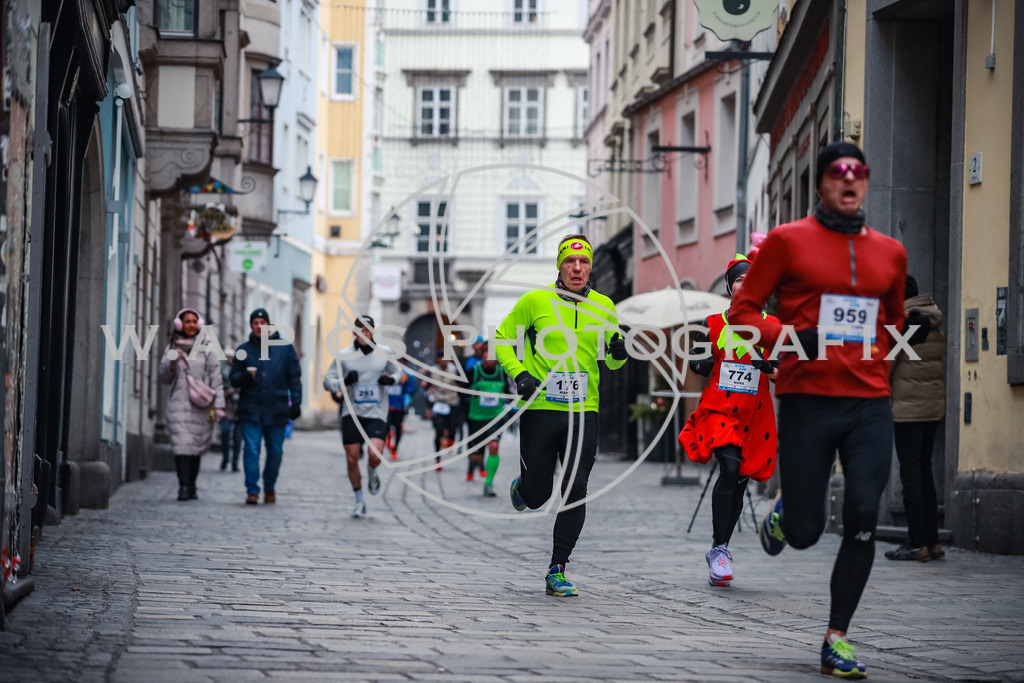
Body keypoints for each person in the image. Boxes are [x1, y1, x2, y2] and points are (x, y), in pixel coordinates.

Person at [729, 141, 929, 678]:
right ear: (821, 183)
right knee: (807, 530)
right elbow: (743, 311)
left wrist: (904, 333)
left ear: (865, 183)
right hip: (806, 398)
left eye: (859, 172)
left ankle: (836, 637)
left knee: (863, 514)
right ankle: (786, 519)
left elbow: (887, 325)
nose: (849, 180)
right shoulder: (787, 242)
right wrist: (795, 337)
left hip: (867, 403)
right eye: (838, 172)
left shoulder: (890, 252)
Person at [495, 234, 628, 597]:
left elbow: (612, 361)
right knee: (539, 494)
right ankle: (523, 488)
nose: (577, 268)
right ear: (559, 266)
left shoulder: (604, 306)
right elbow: (504, 339)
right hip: (541, 409)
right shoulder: (534, 301)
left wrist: (620, 351)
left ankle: (558, 568)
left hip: (584, 410)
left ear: (589, 268)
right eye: (570, 262)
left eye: (583, 262)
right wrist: (520, 373)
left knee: (576, 489)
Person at [678, 255, 780, 587]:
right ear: (729, 287)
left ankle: (719, 548)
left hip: (755, 414)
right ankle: (719, 550)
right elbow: (695, 362)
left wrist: (770, 368)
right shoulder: (712, 323)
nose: (746, 284)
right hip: (719, 410)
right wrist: (702, 364)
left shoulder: (773, 326)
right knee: (731, 469)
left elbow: (786, 373)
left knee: (740, 481)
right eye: (739, 279)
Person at [885, 275, 946, 562]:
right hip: (933, 407)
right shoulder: (933, 319)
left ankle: (916, 543)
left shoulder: (905, 322)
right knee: (925, 472)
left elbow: (887, 363)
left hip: (909, 410)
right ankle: (933, 542)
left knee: (910, 475)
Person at [323, 315, 401, 518]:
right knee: (352, 458)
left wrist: (390, 380)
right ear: (354, 332)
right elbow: (327, 382)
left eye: (368, 330)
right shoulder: (344, 355)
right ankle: (359, 501)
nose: (364, 334)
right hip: (351, 412)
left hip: (376, 412)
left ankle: (373, 471)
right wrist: (345, 381)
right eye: (360, 330)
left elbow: (398, 372)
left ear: (373, 332)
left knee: (375, 455)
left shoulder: (384, 353)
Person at [230, 308, 303, 505]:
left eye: (263, 323)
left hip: (277, 409)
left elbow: (294, 379)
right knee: (251, 449)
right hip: (250, 408)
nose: (259, 326)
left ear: (269, 325)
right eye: (255, 323)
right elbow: (233, 378)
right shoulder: (243, 349)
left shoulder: (285, 349)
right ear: (251, 326)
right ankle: (252, 489)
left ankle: (269, 486)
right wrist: (244, 377)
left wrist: (296, 403)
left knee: (275, 451)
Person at [158, 308, 225, 501]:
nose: (191, 325)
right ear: (179, 324)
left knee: (196, 448)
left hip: (202, 405)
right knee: (181, 447)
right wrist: (171, 364)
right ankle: (183, 486)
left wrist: (219, 406)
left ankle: (192, 484)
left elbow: (216, 377)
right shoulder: (172, 346)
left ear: (199, 324)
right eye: (187, 321)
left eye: (194, 321)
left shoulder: (207, 346)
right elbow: (163, 377)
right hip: (178, 403)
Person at [465, 341, 511, 496]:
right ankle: (473, 465)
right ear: (482, 355)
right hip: (476, 418)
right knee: (476, 453)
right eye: (487, 353)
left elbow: (506, 392)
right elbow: (461, 391)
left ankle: (489, 483)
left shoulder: (502, 372)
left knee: (493, 445)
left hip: (495, 417)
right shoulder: (473, 372)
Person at [424, 348, 463, 472]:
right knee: (438, 431)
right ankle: (437, 460)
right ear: (437, 359)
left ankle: (451, 438)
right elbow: (427, 387)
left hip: (452, 403)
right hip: (438, 403)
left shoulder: (455, 370)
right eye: (442, 358)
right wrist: (428, 407)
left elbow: (462, 385)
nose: (444, 361)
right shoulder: (432, 371)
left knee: (452, 428)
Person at [385, 362, 417, 461]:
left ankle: (395, 448)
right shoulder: (386, 373)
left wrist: (404, 388)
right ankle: (388, 441)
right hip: (386, 406)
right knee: (386, 427)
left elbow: (412, 389)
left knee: (398, 429)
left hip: (400, 407)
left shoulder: (406, 376)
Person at [219, 357, 243, 472]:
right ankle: (225, 459)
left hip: (239, 410)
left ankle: (235, 462)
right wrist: (231, 391)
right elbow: (218, 392)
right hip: (226, 409)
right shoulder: (222, 371)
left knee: (238, 438)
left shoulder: (242, 371)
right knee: (225, 433)